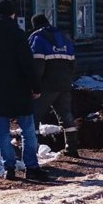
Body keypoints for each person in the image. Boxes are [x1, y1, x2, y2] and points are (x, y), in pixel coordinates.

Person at [0, 0, 48, 182]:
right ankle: (31, 167)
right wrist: (35, 87)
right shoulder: (17, 33)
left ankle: (9, 169)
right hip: (20, 90)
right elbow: (27, 64)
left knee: (2, 131)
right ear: (12, 13)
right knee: (28, 130)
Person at [29, 14, 79, 157]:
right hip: (64, 84)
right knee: (66, 115)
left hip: (46, 86)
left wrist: (34, 85)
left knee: (33, 116)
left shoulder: (38, 39)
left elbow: (37, 65)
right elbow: (73, 64)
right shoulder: (64, 38)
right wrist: (68, 80)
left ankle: (32, 151)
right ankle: (71, 148)